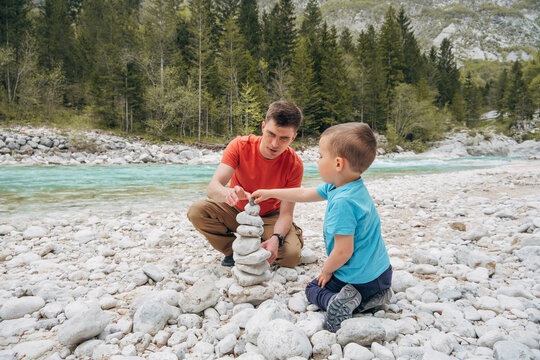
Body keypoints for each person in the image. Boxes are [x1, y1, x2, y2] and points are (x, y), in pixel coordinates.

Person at [251, 122, 393, 332]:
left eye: (320, 156)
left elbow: (344, 251)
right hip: (382, 273)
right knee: (347, 284)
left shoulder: (343, 203)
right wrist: (271, 192)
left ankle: (353, 302)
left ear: (338, 164)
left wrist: (326, 271)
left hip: (358, 279)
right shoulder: (348, 186)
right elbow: (303, 193)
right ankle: (376, 295)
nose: (316, 161)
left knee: (313, 288)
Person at [187, 100, 304, 268]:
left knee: (291, 257)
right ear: (263, 127)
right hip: (237, 210)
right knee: (197, 211)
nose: (274, 144)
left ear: (293, 137)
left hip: (271, 216)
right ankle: (234, 251)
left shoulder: (294, 164)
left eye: (284, 138)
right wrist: (229, 194)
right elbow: (213, 188)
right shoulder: (240, 146)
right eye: (271, 134)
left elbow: (286, 214)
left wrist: (276, 238)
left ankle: (275, 238)